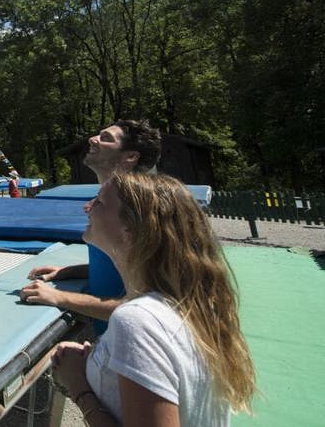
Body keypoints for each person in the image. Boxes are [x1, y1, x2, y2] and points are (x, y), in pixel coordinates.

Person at [51, 173, 255, 426]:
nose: (87, 207)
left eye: (100, 202)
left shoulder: (138, 321)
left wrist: (79, 386)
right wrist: (99, 359)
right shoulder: (192, 308)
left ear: (130, 228)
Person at [20, 120, 161, 329]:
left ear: (130, 156)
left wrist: (60, 297)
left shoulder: (139, 211)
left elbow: (153, 307)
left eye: (106, 138)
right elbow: (128, 266)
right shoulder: (108, 205)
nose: (92, 139)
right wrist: (70, 271)